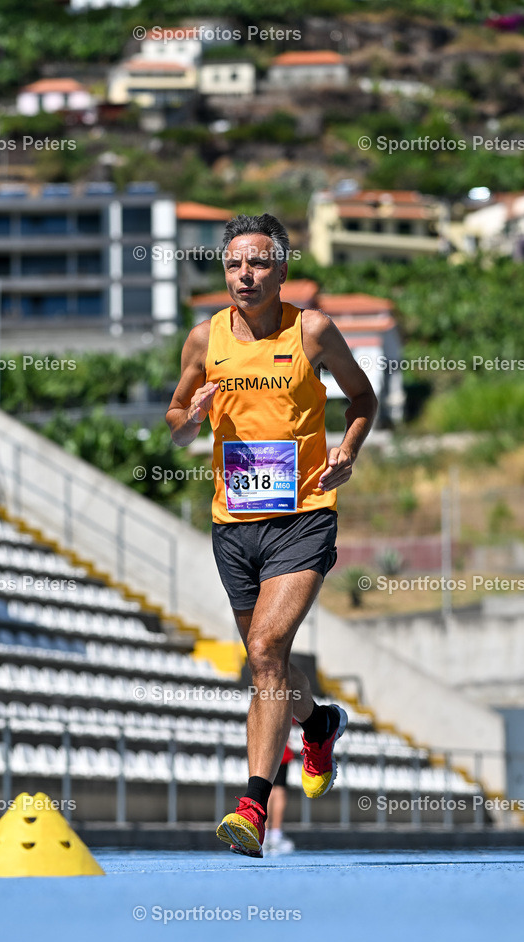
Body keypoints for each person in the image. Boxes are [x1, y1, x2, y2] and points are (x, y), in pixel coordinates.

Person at [166, 213, 377, 857]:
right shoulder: (204, 340)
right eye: (233, 264)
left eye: (257, 263)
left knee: (263, 650)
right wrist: (191, 414)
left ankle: (252, 809)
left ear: (281, 269)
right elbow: (175, 422)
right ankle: (318, 724)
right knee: (271, 664)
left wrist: (348, 448)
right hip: (234, 523)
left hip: (304, 512)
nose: (244, 275)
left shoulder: (311, 331)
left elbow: (363, 400)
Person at [264, 741, 296, 855]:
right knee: (278, 790)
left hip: (263, 750)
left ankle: (264, 834)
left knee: (267, 788)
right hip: (279, 749)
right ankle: (275, 835)